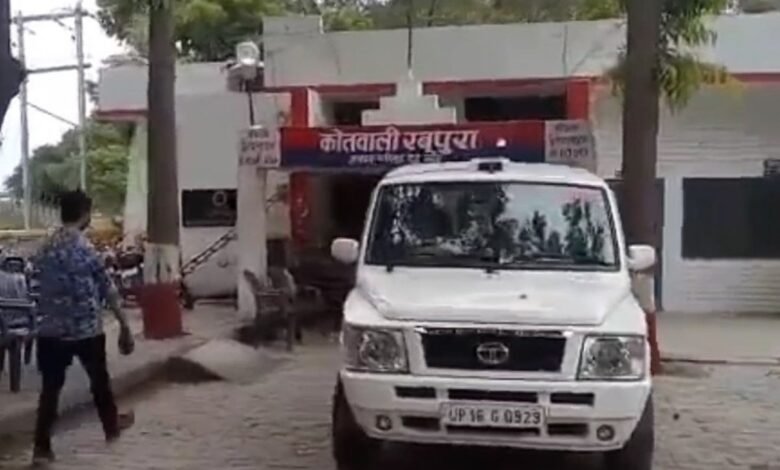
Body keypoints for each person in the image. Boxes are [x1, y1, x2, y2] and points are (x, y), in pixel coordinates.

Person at [32, 190, 134, 466]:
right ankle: (111, 428)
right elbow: (107, 289)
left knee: (50, 390)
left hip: (51, 331)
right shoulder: (86, 249)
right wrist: (124, 325)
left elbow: (35, 286)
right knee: (99, 382)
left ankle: (41, 448)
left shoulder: (44, 248)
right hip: (86, 329)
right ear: (85, 214)